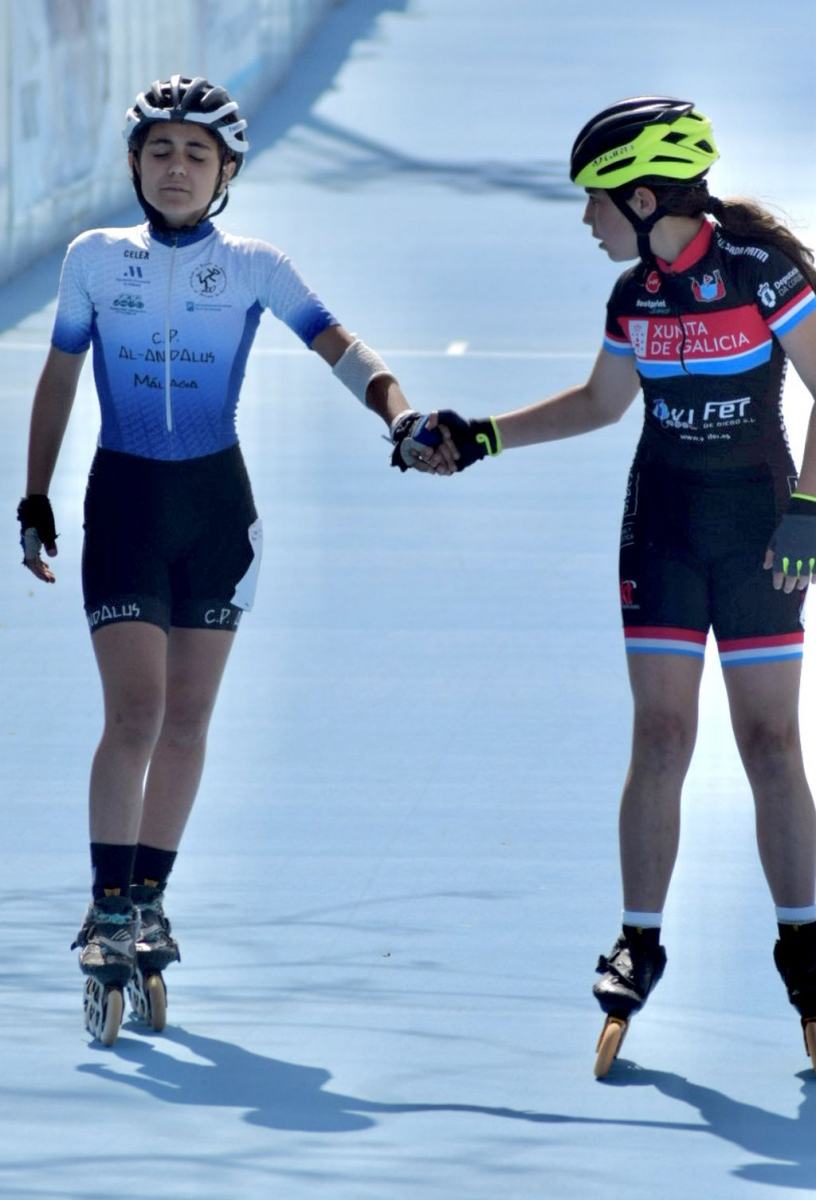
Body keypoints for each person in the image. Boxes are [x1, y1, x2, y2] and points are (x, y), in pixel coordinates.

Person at [18, 74, 454, 1040]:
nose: (176, 168)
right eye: (160, 151)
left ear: (225, 174)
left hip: (218, 513)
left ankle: (150, 899)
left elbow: (341, 346)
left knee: (188, 719)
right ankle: (107, 905)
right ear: (134, 164)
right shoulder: (94, 259)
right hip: (125, 505)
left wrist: (401, 414)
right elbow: (58, 377)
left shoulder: (256, 265)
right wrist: (36, 493)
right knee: (135, 712)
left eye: (197, 154)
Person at [428, 97, 816, 1064]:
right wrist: (484, 437)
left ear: (644, 200)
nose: (586, 218)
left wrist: (810, 509)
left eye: (595, 201)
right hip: (662, 532)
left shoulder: (762, 271)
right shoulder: (632, 297)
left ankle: (807, 944)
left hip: (764, 534)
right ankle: (639, 940)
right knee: (661, 734)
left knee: (770, 743)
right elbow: (603, 403)